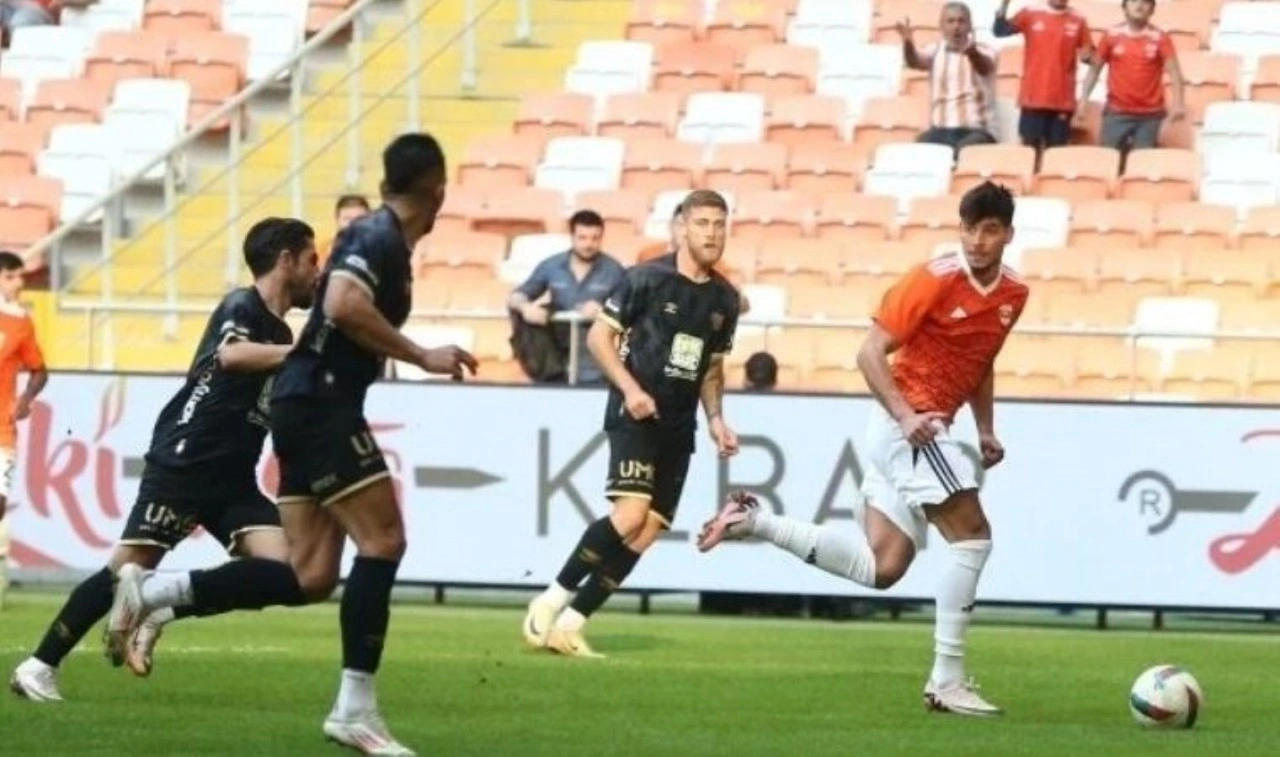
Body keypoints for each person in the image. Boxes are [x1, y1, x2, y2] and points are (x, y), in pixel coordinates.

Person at [107, 133, 476, 756]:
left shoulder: (385, 242)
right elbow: (343, 301)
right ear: (436, 188)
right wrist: (421, 356)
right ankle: (354, 709)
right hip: (321, 404)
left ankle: (156, 592)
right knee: (384, 541)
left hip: (305, 405)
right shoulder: (374, 237)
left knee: (309, 576)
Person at [698, 181, 1029, 717]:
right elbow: (869, 352)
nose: (977, 241)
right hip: (908, 424)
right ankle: (946, 680)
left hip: (919, 427)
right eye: (970, 228)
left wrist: (986, 428)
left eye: (989, 231)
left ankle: (754, 522)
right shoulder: (933, 278)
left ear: (1008, 235)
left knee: (884, 567)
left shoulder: (1014, 293)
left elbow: (980, 359)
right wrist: (905, 415)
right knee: (974, 538)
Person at [9, 218, 319, 701]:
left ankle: (160, 606)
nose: (317, 272)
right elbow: (231, 357)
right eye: (311, 260)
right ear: (285, 260)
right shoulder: (242, 306)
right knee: (123, 570)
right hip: (188, 460)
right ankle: (39, 667)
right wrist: (303, 352)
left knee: (297, 572)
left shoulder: (278, 331)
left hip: (233, 476)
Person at [521, 189, 742, 658]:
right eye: (702, 223)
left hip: (679, 426)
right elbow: (599, 338)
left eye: (719, 224)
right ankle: (550, 600)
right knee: (630, 515)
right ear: (681, 228)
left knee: (647, 530)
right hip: (635, 413)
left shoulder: (725, 298)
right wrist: (631, 389)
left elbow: (711, 367)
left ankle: (571, 625)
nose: (711, 233)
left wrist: (716, 419)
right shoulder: (646, 278)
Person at [507, 209, 626, 386]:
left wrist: (604, 312)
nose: (589, 244)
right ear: (572, 236)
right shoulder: (551, 266)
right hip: (554, 361)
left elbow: (630, 309)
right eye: (582, 238)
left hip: (596, 362)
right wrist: (526, 308)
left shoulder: (614, 270)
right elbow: (516, 296)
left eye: (595, 238)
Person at [0, 250, 47, 610]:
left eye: (20, 277)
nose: (19, 283)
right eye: (11, 277)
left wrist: (26, 398)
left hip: (3, 429)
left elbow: (40, 370)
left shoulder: (21, 321)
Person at [1077, 0, 1185, 152]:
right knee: (1108, 158)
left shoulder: (1161, 38)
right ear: (1125, 7)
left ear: (1152, 9)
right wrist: (1083, 99)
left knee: (1141, 161)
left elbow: (1175, 73)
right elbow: (1095, 70)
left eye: (1145, 2)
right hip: (1116, 112)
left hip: (1150, 115)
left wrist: (1179, 103)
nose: (1139, 6)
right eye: (1134, 1)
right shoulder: (1111, 35)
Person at [897, 4, 998, 152]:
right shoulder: (935, 51)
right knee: (918, 151)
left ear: (970, 26)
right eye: (950, 21)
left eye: (961, 21)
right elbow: (914, 62)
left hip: (975, 130)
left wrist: (971, 52)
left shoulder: (985, 50)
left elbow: (984, 67)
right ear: (942, 27)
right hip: (940, 130)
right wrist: (907, 43)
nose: (956, 26)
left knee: (964, 151)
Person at [994, 0, 1094, 151]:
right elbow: (1000, 31)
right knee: (1029, 154)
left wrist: (1088, 57)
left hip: (1062, 102)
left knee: (1056, 155)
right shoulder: (1030, 12)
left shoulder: (1078, 20)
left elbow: (1090, 54)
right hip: (1033, 99)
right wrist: (1004, 5)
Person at [320, 194, 372, 266]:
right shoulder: (322, 250)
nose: (353, 223)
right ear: (337, 219)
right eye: (347, 218)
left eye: (360, 218)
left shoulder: (381, 251)